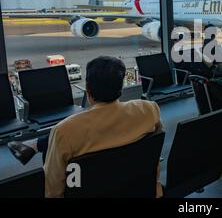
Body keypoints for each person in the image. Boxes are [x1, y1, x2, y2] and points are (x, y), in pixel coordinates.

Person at [7, 56, 162, 198]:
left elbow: (53, 190)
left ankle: (34, 145)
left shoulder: (64, 130)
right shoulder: (149, 109)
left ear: (88, 90)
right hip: (140, 191)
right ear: (120, 88)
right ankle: (34, 145)